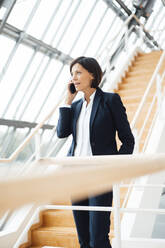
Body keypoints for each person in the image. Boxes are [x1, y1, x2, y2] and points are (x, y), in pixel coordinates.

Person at [57, 56, 135, 248]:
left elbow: (128, 140)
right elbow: (61, 133)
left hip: (100, 176)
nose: (73, 77)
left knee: (98, 237)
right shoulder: (74, 106)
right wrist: (67, 102)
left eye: (78, 72)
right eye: (72, 73)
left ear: (92, 74)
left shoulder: (110, 100)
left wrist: (114, 167)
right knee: (83, 238)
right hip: (75, 175)